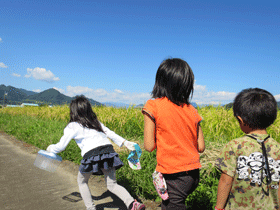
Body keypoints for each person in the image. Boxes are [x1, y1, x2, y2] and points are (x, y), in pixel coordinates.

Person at [46, 95, 145, 210]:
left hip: (91, 154)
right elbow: (110, 133)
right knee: (112, 185)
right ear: (88, 109)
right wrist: (125, 142)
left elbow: (61, 146)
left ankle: (91, 208)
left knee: (82, 181)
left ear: (73, 112)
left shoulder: (72, 126)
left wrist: (50, 148)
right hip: (108, 151)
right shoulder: (95, 122)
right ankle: (132, 203)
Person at [142, 58, 205, 210]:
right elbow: (201, 147)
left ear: (160, 81)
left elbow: (149, 146)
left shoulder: (153, 106)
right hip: (193, 175)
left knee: (171, 206)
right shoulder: (192, 110)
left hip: (173, 175)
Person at [215, 88, 280, 210]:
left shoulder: (234, 146)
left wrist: (219, 208)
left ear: (241, 120)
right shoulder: (278, 148)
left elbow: (226, 181)